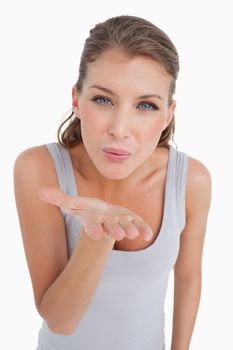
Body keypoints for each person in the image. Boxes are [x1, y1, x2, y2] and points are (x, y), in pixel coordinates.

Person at [13, 14, 211, 350]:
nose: (120, 128)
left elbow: (188, 277)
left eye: (145, 105)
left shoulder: (191, 180)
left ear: (167, 115)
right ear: (76, 100)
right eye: (103, 100)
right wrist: (98, 235)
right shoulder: (39, 169)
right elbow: (60, 321)